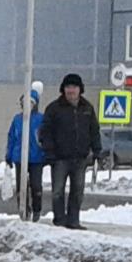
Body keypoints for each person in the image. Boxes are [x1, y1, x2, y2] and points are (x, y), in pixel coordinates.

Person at [40, 72, 104, 229]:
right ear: (63, 89)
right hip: (59, 158)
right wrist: (50, 152)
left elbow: (94, 131)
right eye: (68, 87)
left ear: (80, 89)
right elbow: (45, 132)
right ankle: (59, 221)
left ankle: (73, 221)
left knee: (77, 191)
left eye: (74, 87)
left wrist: (97, 151)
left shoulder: (87, 108)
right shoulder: (54, 109)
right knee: (58, 191)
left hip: (80, 158)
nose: (71, 90)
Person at [4, 93, 47, 221]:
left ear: (35, 104)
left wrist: (45, 154)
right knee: (21, 186)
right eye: (25, 102)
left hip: (36, 158)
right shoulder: (17, 119)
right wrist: (9, 155)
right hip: (19, 158)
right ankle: (23, 211)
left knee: (36, 185)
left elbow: (45, 138)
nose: (28, 105)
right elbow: (12, 137)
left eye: (31, 103)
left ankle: (37, 210)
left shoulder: (41, 119)